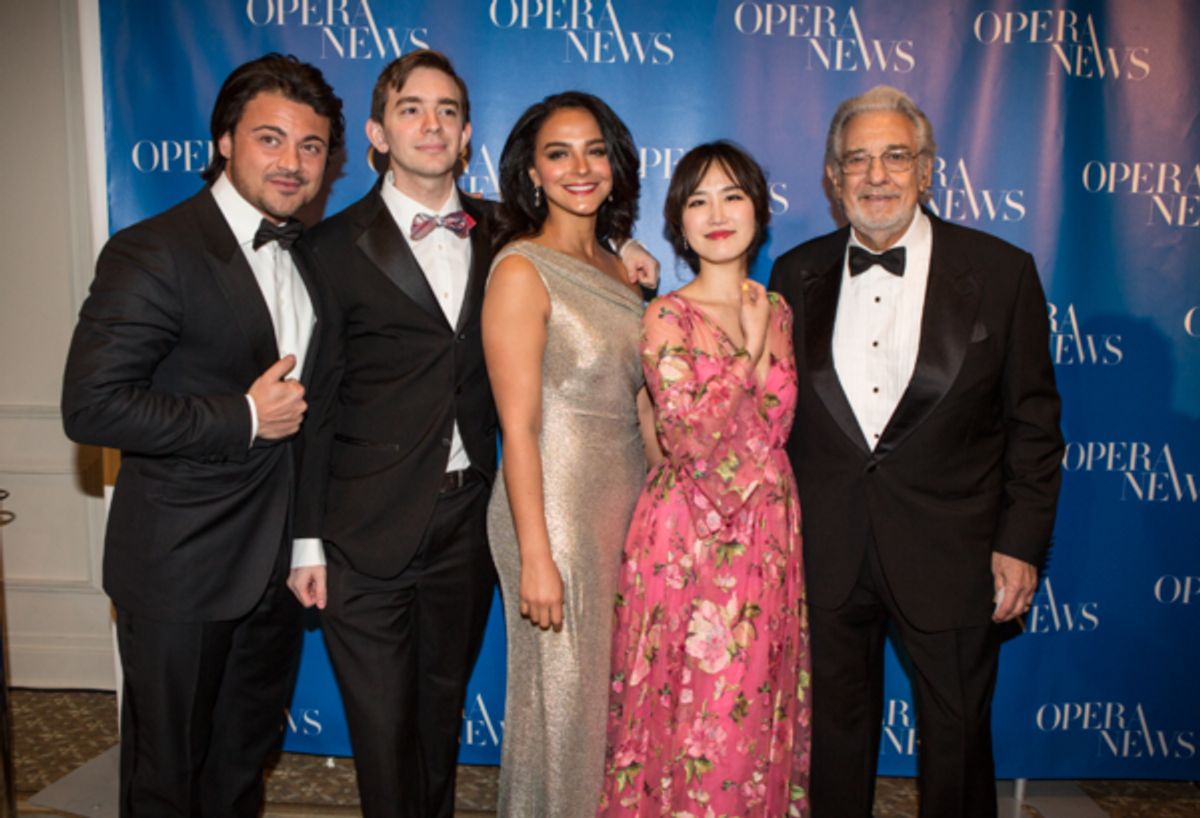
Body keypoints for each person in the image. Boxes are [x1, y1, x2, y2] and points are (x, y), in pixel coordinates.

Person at [285, 56, 657, 818]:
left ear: (467, 135)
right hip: (365, 527)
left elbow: (577, 262)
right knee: (385, 734)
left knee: (438, 720)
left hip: (468, 522)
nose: (431, 124)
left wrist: (626, 257)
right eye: (412, 109)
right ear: (377, 133)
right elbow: (314, 406)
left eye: (448, 110)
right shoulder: (323, 248)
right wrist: (306, 540)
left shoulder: (502, 231)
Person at [768, 85, 1063, 818]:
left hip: (955, 550)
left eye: (896, 156)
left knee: (958, 740)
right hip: (826, 548)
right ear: (833, 181)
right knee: (831, 741)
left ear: (928, 169)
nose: (877, 175)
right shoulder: (793, 275)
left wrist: (1020, 543)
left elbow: (1033, 422)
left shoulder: (1001, 271)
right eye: (857, 160)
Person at [61, 54, 344, 817]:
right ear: (224, 141)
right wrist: (244, 417)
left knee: (239, 770)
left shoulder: (310, 256)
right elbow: (91, 406)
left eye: (311, 146)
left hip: (274, 576)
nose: (292, 163)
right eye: (270, 139)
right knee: (166, 781)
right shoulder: (155, 249)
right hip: (179, 571)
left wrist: (306, 542)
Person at [598, 141, 811, 817]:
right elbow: (688, 436)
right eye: (697, 201)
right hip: (686, 537)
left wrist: (756, 346)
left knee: (748, 713)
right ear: (679, 223)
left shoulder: (778, 309)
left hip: (766, 532)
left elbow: (773, 425)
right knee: (684, 714)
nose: (716, 214)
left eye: (732, 196)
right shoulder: (665, 315)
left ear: (759, 211)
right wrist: (746, 353)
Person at [482, 91, 653, 817]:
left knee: (613, 712)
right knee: (563, 713)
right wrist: (537, 554)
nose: (578, 167)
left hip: (627, 510)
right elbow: (517, 428)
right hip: (551, 513)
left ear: (615, 168)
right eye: (558, 153)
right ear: (532, 173)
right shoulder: (522, 269)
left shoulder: (625, 270)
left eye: (594, 150)